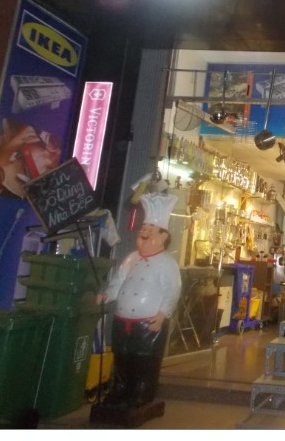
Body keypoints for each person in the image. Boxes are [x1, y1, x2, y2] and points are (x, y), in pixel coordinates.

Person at [96, 174, 181, 409]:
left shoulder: (167, 263)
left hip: (148, 323)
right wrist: (108, 294)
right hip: (123, 320)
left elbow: (172, 290)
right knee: (122, 357)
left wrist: (163, 313)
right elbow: (118, 280)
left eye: (151, 229)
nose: (144, 232)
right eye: (143, 227)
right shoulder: (131, 258)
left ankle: (142, 392)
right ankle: (120, 390)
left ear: (163, 236)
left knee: (145, 360)